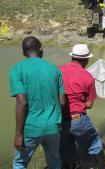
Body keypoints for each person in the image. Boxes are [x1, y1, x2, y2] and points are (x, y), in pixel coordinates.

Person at [9, 36, 65, 169]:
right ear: (41, 50)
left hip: (31, 127)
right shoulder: (55, 69)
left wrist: (18, 134)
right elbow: (62, 102)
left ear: (23, 53)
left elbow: (22, 103)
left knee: (20, 163)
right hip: (53, 126)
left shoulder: (17, 70)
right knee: (54, 163)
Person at [59, 44, 105, 169]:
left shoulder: (57, 71)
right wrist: (80, 103)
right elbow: (89, 105)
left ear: (72, 57)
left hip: (58, 120)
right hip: (77, 119)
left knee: (65, 149)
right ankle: (103, 167)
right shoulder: (88, 77)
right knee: (94, 143)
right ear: (85, 59)